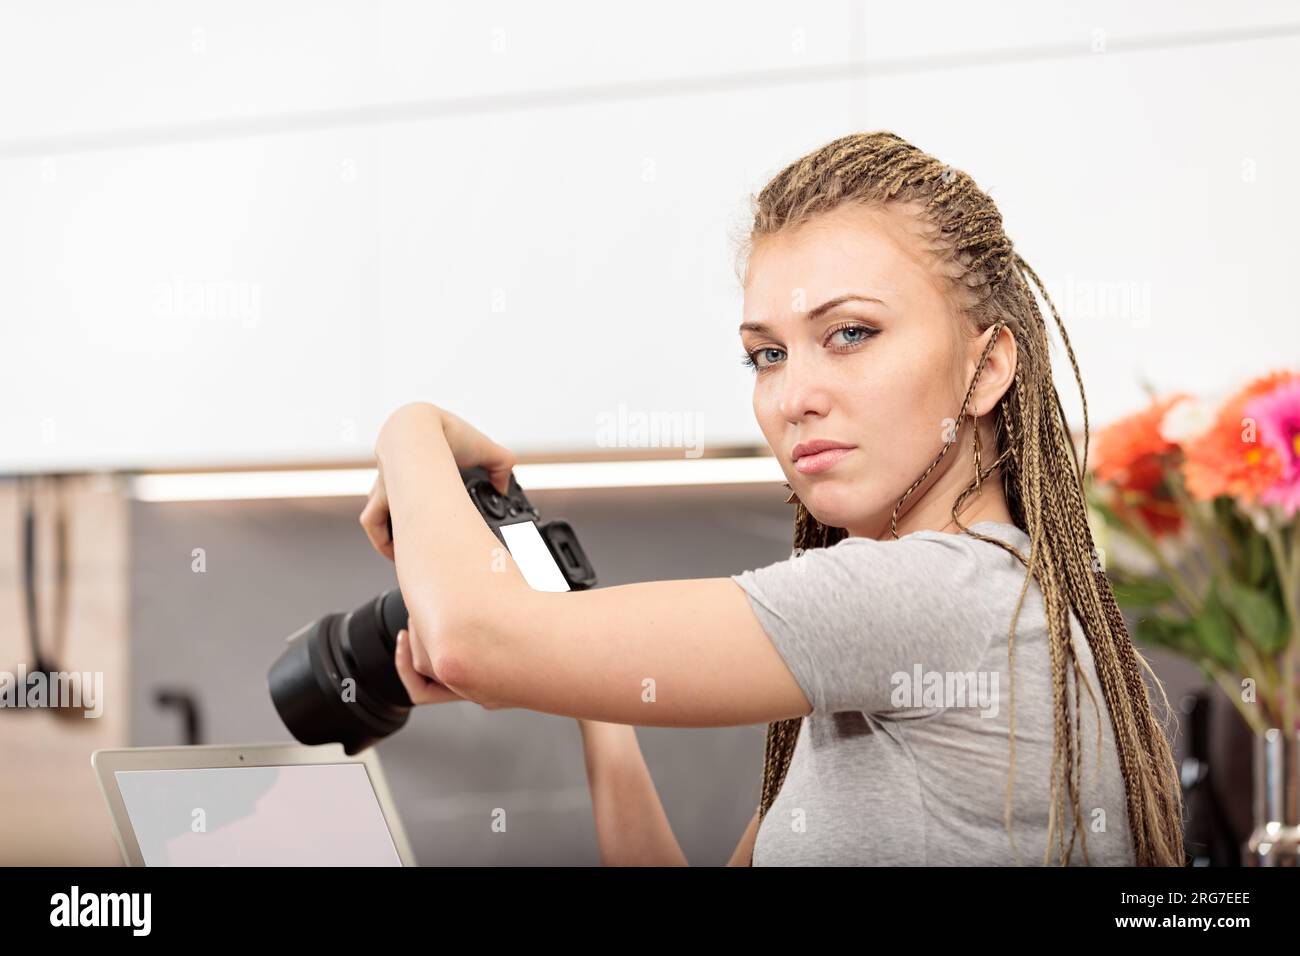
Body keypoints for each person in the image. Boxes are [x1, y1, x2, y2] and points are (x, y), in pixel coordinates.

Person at [359, 131, 1186, 867]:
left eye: (851, 334)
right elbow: (493, 646)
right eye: (767, 355)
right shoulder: (974, 606)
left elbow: (470, 640)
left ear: (988, 367)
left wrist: (407, 429)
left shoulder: (924, 597)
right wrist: (590, 699)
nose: (794, 397)